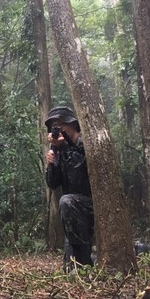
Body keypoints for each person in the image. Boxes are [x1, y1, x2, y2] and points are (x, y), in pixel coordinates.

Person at [44, 106, 94, 269]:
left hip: (91, 203)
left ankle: (84, 256)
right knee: (69, 269)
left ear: (72, 125)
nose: (57, 130)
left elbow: (79, 167)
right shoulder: (58, 149)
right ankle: (80, 260)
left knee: (66, 201)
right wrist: (52, 163)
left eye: (60, 125)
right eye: (54, 127)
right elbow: (53, 183)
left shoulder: (84, 143)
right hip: (72, 208)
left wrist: (64, 148)